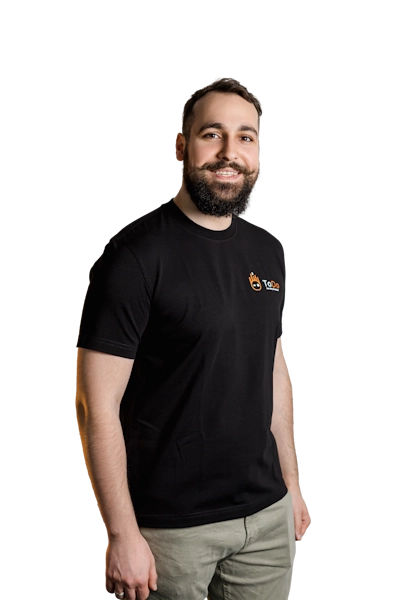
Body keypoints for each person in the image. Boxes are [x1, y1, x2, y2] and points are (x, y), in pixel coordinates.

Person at [75, 77, 311, 600]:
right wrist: (122, 534)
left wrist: (292, 486)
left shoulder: (268, 252)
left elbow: (272, 373)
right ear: (181, 146)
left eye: (246, 137)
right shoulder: (134, 258)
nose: (230, 153)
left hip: (265, 517)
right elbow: (95, 406)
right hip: (170, 531)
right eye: (212, 134)